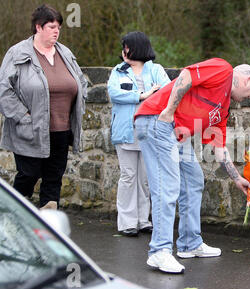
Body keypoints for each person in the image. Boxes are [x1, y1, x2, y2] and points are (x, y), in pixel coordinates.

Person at [134, 58, 250, 273]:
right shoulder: (223, 69)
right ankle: (159, 252)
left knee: (193, 180)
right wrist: (169, 111)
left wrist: (237, 178)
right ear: (247, 79)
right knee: (168, 185)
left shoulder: (223, 107)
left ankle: (189, 244)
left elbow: (219, 146)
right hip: (158, 120)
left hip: (177, 133)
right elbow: (186, 75)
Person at [0, 4, 87, 210]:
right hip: (29, 129)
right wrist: (23, 116)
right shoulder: (18, 53)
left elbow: (80, 82)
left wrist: (78, 109)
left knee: (54, 178)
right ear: (38, 28)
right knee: (28, 175)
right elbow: (4, 89)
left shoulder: (65, 52)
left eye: (58, 27)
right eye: (51, 26)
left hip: (61, 130)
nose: (56, 31)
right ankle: (10, 216)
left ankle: (47, 227)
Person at [107, 31, 171, 237]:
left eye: (127, 46)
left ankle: (143, 219)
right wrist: (142, 95)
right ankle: (127, 222)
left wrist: (153, 94)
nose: (123, 51)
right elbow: (114, 93)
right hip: (125, 132)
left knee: (145, 178)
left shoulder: (156, 70)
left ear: (138, 47)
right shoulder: (118, 71)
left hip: (150, 131)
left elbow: (167, 90)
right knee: (128, 176)